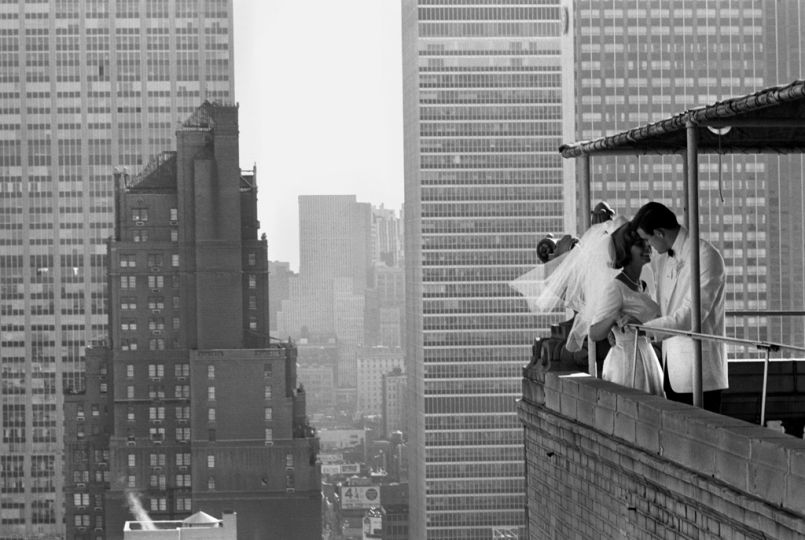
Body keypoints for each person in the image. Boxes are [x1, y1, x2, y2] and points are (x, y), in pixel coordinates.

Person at [631, 202, 728, 412]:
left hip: (700, 373)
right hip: (671, 367)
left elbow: (690, 316)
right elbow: (660, 306)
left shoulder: (706, 256)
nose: (649, 246)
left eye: (648, 240)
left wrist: (642, 329)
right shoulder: (663, 259)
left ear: (659, 233)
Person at [588, 223, 664, 395]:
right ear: (626, 250)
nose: (647, 247)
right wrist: (614, 317)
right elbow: (594, 333)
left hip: (648, 358)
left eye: (646, 242)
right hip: (626, 364)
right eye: (639, 244)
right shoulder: (616, 288)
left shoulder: (643, 285)